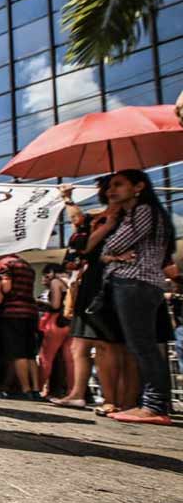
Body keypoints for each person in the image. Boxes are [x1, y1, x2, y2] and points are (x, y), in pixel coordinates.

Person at [96, 170, 176, 425]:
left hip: (136, 282)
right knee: (141, 344)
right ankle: (152, 402)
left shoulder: (143, 211)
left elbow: (112, 246)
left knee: (142, 345)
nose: (111, 190)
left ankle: (154, 404)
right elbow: (108, 253)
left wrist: (112, 252)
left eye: (119, 184)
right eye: (110, 185)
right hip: (138, 283)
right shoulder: (136, 213)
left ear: (139, 186)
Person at [51, 179, 136, 414]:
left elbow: (89, 245)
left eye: (116, 187)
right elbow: (79, 228)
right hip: (91, 282)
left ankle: (114, 399)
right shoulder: (96, 218)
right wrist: (67, 199)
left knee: (108, 344)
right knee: (79, 344)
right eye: (107, 189)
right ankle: (78, 394)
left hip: (112, 281)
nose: (110, 193)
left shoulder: (131, 219)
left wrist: (107, 227)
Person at [0, 253, 41, 400]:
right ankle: (35, 389)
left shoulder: (5, 264)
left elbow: (6, 288)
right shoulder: (27, 265)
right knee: (30, 353)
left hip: (13, 312)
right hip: (30, 311)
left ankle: (25, 389)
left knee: (17, 353)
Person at [36, 263, 73, 398]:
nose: (46, 278)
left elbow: (56, 305)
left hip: (56, 321)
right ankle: (71, 392)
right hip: (70, 322)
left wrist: (41, 303)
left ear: (52, 272)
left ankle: (38, 389)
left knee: (46, 357)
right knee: (69, 360)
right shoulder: (71, 280)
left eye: (46, 275)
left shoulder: (56, 282)